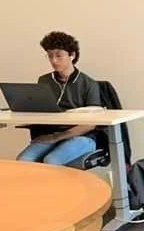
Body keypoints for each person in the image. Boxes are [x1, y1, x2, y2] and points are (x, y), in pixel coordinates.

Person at [17, 31, 102, 165]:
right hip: (51, 135)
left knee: (51, 160)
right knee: (23, 161)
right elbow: (40, 112)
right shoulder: (44, 81)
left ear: (72, 55)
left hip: (82, 137)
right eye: (50, 56)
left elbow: (90, 124)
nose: (53, 60)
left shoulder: (89, 84)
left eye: (58, 55)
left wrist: (57, 137)